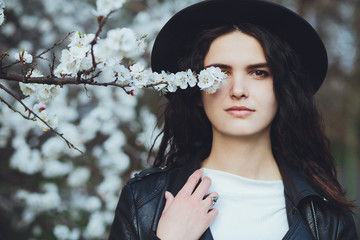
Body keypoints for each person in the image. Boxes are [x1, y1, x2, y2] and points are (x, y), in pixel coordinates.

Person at [109, 0, 358, 239]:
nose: (238, 90)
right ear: (197, 90)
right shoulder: (144, 201)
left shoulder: (327, 218)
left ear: (282, 90)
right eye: (220, 73)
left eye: (259, 73)